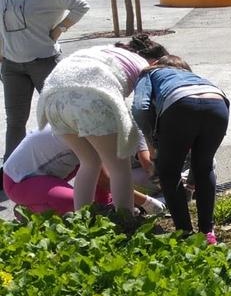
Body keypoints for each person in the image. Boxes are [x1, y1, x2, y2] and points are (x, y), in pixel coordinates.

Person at [36, 34, 167, 216]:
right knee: (119, 168)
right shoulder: (145, 67)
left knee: (89, 162)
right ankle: (125, 221)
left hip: (52, 99)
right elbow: (143, 109)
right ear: (156, 62)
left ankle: (82, 221)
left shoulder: (104, 51)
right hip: (91, 99)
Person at [1, 0, 90, 163]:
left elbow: (80, 5)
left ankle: (83, 160)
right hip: (12, 66)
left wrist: (60, 28)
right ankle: (11, 169)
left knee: (59, 116)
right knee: (15, 121)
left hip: (44, 62)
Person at [132, 55, 229, 244]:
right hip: (218, 103)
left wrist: (152, 144)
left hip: (179, 105)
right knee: (205, 167)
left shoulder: (150, 72)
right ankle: (207, 233)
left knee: (169, 172)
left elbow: (139, 108)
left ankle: (184, 233)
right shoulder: (193, 77)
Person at [2, 126, 166, 216]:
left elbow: (101, 177)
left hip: (45, 177)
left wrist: (109, 204)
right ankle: (27, 212)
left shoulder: (93, 124)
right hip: (19, 181)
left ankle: (103, 206)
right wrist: (146, 202)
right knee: (76, 206)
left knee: (93, 174)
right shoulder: (93, 132)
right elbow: (106, 180)